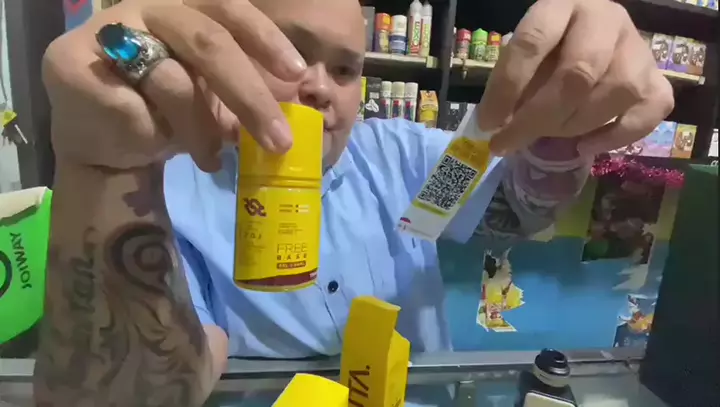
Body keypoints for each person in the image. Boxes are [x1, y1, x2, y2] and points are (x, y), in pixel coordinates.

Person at [34, 0, 673, 405]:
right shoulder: (165, 194)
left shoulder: (402, 157)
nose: (319, 87)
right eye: (286, 54)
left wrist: (558, 133)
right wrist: (101, 171)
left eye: (343, 69)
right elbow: (139, 391)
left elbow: (519, 208)